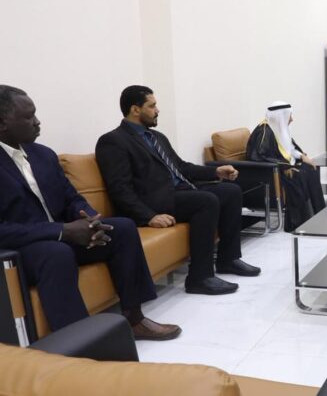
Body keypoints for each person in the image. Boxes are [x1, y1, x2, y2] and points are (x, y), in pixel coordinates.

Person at [0, 85, 180, 340]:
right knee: (56, 252)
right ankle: (79, 341)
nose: (38, 122)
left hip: (63, 236)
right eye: (29, 117)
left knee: (122, 228)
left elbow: (71, 198)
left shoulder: (43, 155)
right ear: (2, 123)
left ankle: (134, 319)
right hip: (21, 250)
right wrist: (62, 231)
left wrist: (91, 220)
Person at [96, 85, 259, 297]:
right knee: (206, 201)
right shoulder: (113, 141)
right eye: (152, 106)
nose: (157, 110)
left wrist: (215, 172)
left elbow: (181, 167)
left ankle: (228, 259)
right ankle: (199, 277)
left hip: (179, 191)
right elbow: (120, 188)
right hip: (154, 200)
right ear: (135, 110)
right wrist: (149, 216)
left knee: (231, 191)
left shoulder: (156, 137)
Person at [246, 101, 325, 231]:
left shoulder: (278, 127)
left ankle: (318, 214)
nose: (292, 119)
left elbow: (289, 147)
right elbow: (259, 156)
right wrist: (285, 167)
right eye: (289, 116)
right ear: (280, 116)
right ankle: (298, 222)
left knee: (311, 169)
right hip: (271, 173)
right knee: (298, 176)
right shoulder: (264, 131)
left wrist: (302, 156)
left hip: (283, 167)